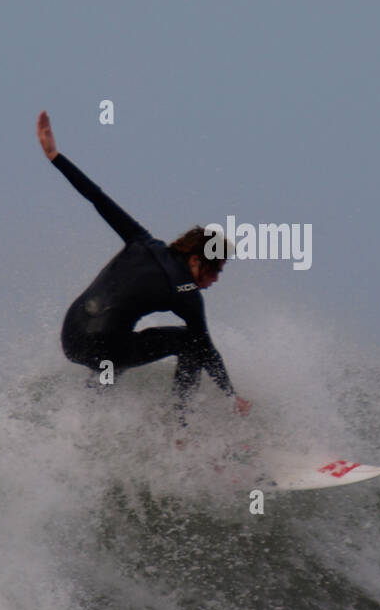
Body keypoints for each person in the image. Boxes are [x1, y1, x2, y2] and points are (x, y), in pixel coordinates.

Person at [37, 111, 251, 424]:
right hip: (105, 348)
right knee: (189, 341)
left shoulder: (140, 240)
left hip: (72, 338)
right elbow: (206, 348)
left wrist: (55, 156)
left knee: (113, 354)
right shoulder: (188, 295)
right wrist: (231, 394)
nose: (216, 279)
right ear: (195, 259)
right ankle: (179, 426)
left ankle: (82, 416)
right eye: (215, 269)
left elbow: (98, 199)